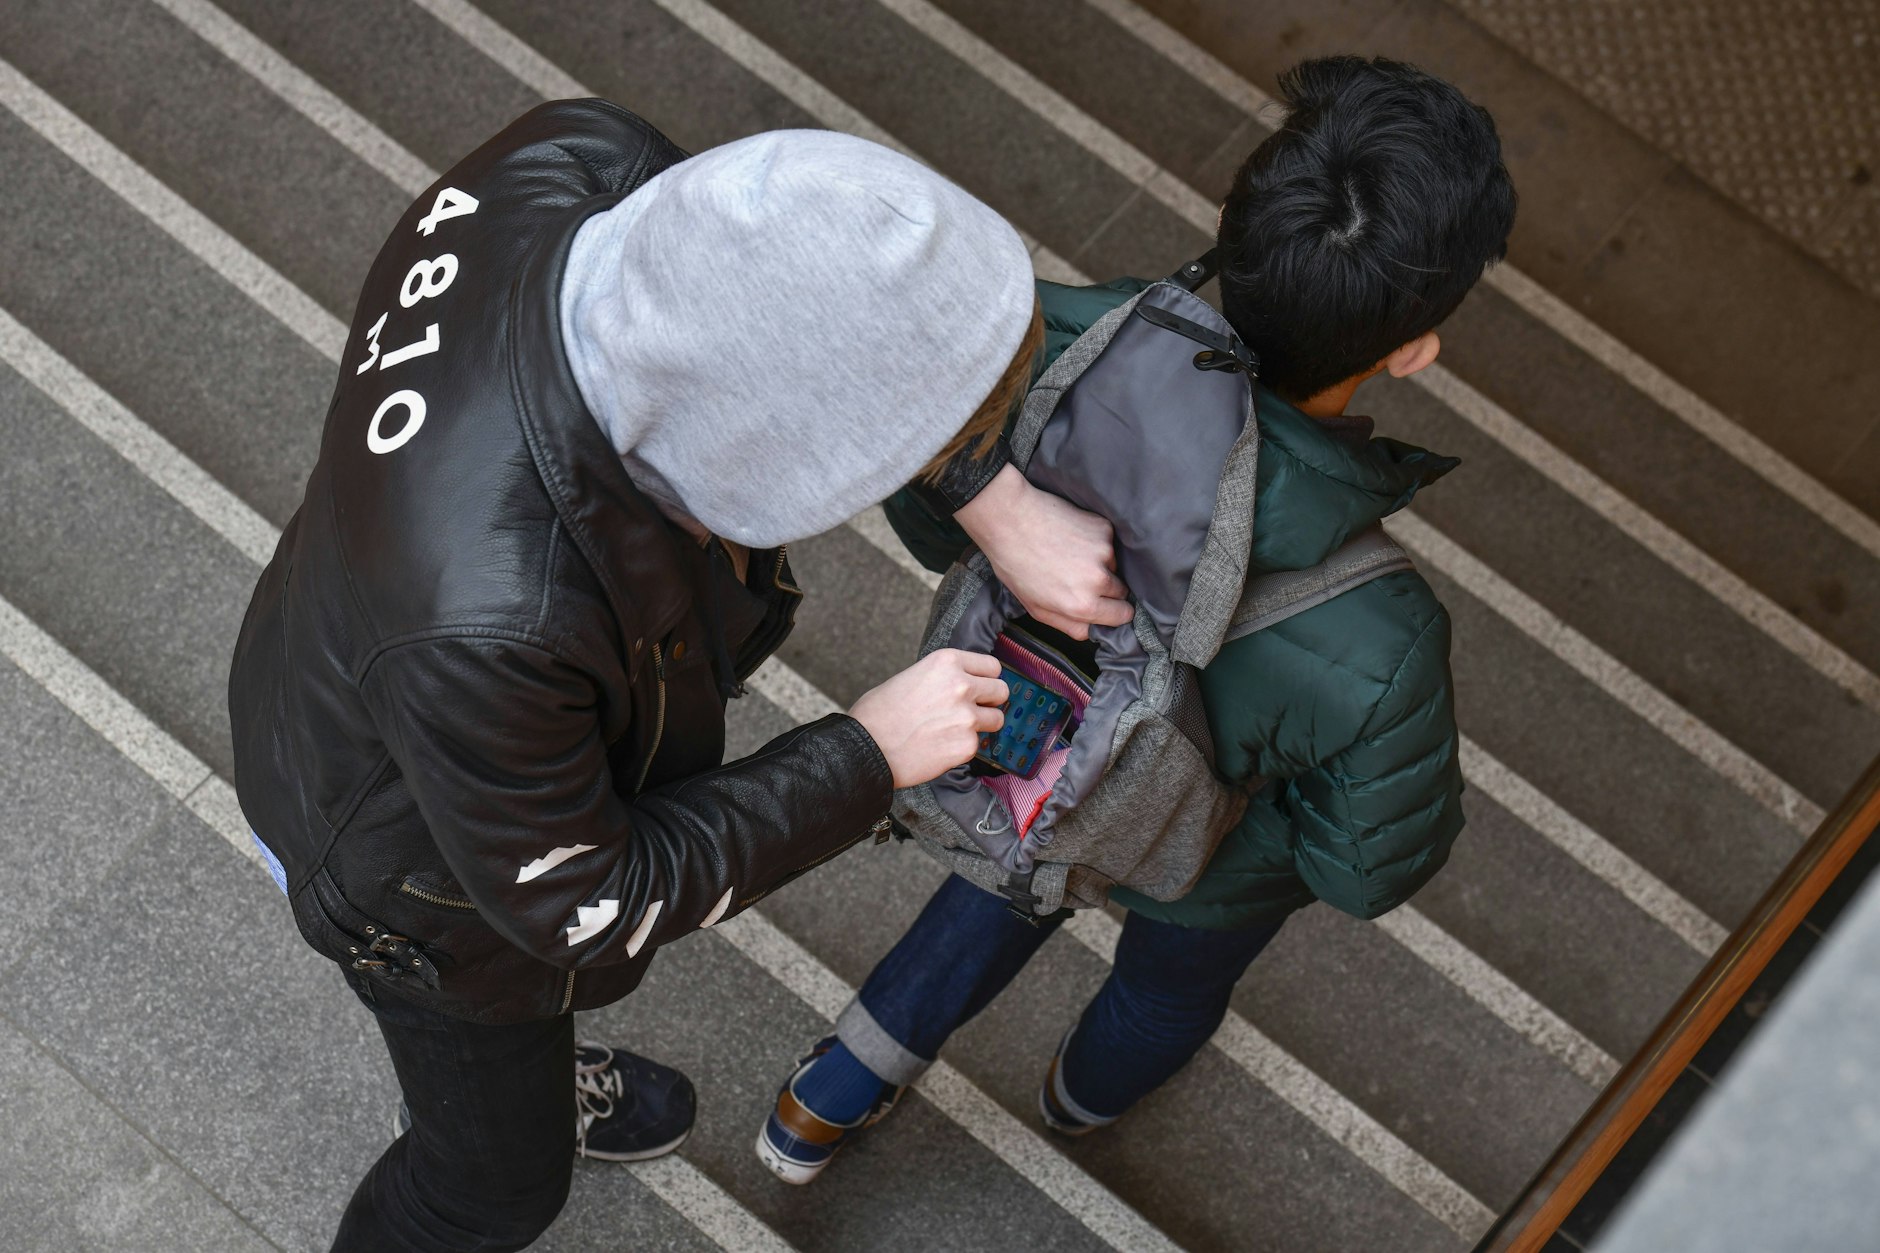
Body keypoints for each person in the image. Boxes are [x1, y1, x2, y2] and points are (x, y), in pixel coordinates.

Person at [227, 100, 1131, 1252]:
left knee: (501, 1068)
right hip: (402, 868)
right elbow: (588, 902)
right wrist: (865, 754)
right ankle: (500, 1107)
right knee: (491, 1187)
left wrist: (988, 500)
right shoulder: (497, 628)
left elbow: (792, 296)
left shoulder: (570, 158)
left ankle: (516, 1079)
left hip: (347, 650)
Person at [756, 55, 1518, 1182]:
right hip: (1202, 873)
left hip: (1024, 729)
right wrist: (1194, 818)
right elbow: (1365, 869)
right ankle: (1077, 1106)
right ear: (1410, 349)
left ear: (1232, 224)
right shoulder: (1385, 634)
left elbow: (925, 514)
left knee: (1018, 862)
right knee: (1169, 985)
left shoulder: (1052, 342)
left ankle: (827, 1095)